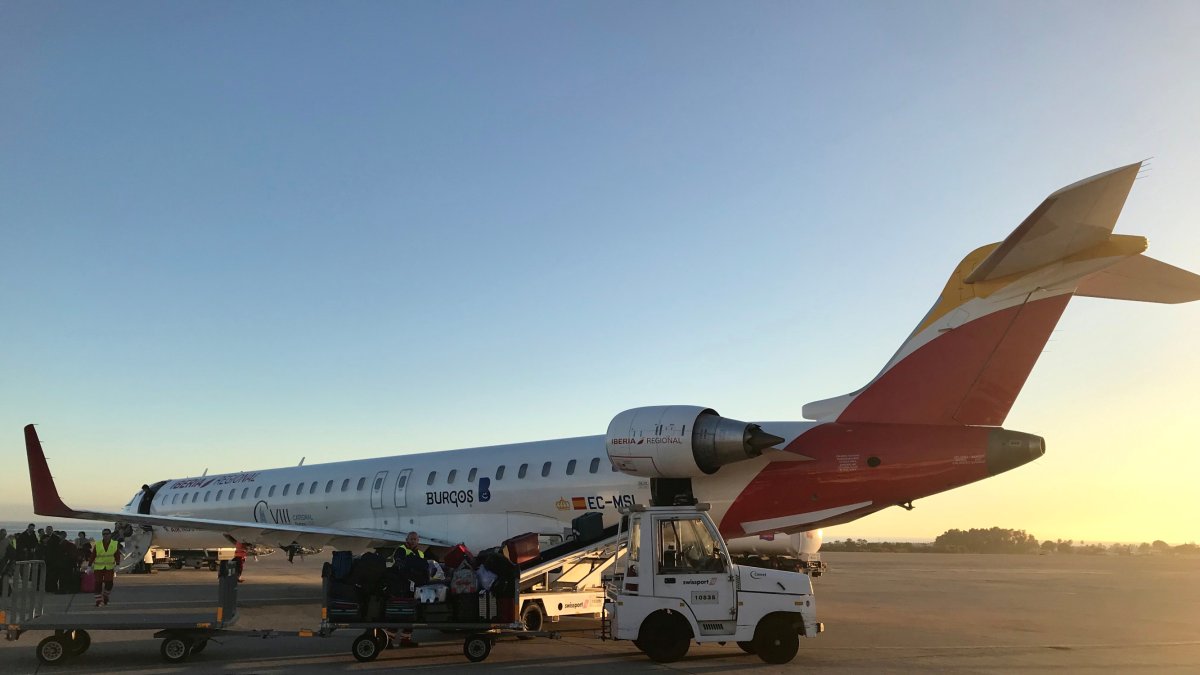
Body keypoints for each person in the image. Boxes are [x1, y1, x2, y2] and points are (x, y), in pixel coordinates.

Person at [389, 531, 425, 648]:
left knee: (411, 613)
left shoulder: (420, 553)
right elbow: (400, 565)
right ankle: (388, 640)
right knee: (399, 612)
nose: (413, 541)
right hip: (401, 587)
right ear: (407, 539)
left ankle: (406, 639)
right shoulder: (401, 549)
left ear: (418, 540)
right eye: (411, 539)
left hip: (413, 587)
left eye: (415, 539)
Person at [89, 528, 122, 606]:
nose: (105, 535)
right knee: (98, 584)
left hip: (109, 567)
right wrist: (89, 566)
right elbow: (93, 555)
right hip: (98, 567)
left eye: (107, 534)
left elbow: (117, 555)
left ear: (110, 534)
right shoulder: (98, 544)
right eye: (104, 534)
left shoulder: (114, 544)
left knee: (109, 583)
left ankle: (106, 595)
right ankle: (98, 600)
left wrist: (117, 564)